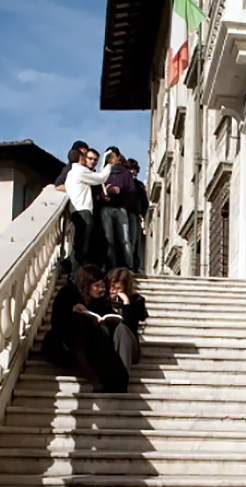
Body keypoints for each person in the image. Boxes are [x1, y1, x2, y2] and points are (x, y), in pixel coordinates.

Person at [40, 265, 128, 393]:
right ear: (86, 285)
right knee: (75, 334)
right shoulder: (68, 293)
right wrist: (73, 312)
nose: (100, 289)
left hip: (91, 342)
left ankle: (112, 379)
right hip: (64, 343)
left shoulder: (99, 299)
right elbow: (57, 322)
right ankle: (94, 379)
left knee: (103, 334)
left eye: (101, 285)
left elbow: (107, 315)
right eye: (96, 286)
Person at [89, 267, 148, 374]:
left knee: (122, 329)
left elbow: (130, 324)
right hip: (109, 345)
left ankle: (122, 375)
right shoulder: (102, 301)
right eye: (112, 287)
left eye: (118, 288)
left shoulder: (137, 301)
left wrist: (126, 303)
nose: (114, 291)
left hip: (128, 346)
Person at [64, 148, 112, 271]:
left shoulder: (70, 173)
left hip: (75, 211)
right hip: (84, 211)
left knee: (79, 244)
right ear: (81, 158)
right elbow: (101, 178)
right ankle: (74, 273)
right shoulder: (81, 171)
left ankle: (74, 272)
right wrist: (109, 164)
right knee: (81, 246)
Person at [98, 147, 137, 270]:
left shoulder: (125, 175)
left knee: (125, 239)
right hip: (106, 208)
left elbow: (132, 192)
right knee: (108, 239)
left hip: (121, 208)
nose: (111, 159)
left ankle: (129, 266)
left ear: (118, 158)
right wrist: (104, 196)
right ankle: (110, 266)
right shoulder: (102, 174)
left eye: (113, 157)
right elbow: (97, 193)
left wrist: (121, 193)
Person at [126, 158, 149, 273]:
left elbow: (145, 202)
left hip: (135, 214)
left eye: (134, 170)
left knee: (134, 241)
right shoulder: (125, 183)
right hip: (126, 213)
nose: (133, 172)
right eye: (130, 170)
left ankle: (134, 266)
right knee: (128, 240)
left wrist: (142, 214)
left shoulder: (139, 185)